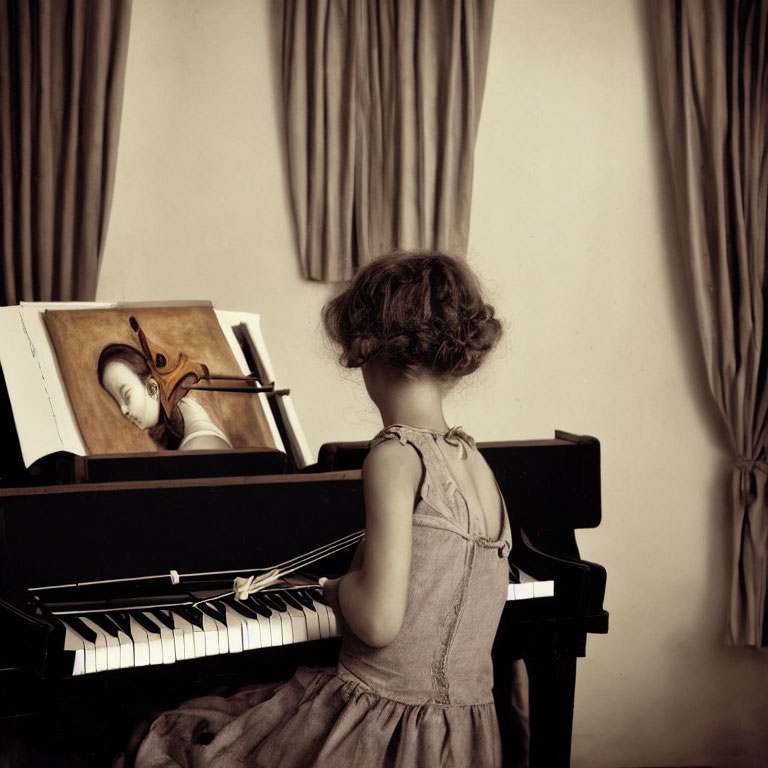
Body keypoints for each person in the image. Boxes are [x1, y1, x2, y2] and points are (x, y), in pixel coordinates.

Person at [131, 251, 528, 768]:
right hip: (461, 736)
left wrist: (334, 587)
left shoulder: (394, 456)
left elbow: (380, 621)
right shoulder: (474, 461)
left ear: (366, 351)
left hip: (377, 731)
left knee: (175, 738)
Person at [98, 344, 232, 451]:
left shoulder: (200, 446)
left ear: (152, 388)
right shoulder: (187, 422)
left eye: (126, 396)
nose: (123, 410)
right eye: (117, 401)